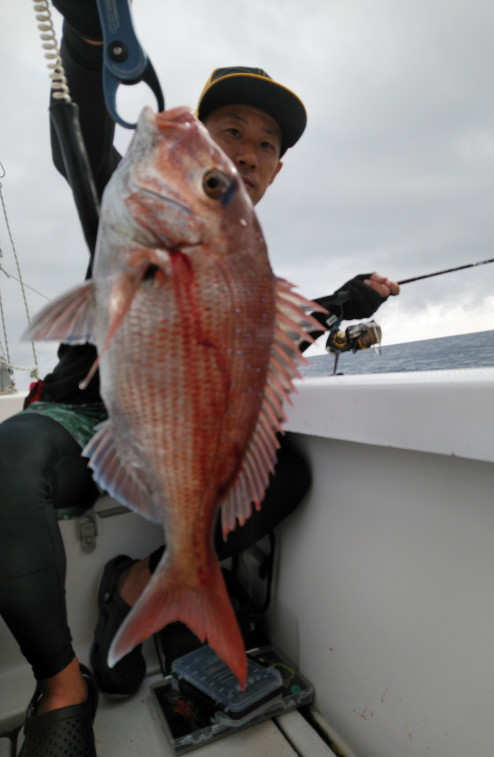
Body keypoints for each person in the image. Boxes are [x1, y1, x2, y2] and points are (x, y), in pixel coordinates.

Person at [0, 5, 399, 757]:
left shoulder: (247, 264)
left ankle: (141, 582)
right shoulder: (129, 203)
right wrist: (88, 40)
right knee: (8, 457)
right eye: (233, 134)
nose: (248, 153)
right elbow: (81, 132)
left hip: (178, 439)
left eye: (267, 145)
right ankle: (62, 684)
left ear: (278, 171)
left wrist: (344, 303)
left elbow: (259, 341)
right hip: (87, 417)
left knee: (289, 473)